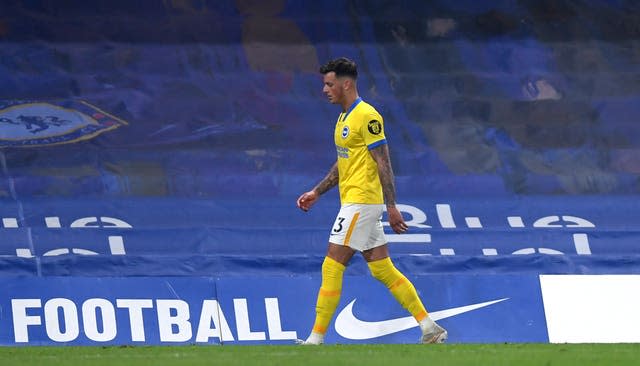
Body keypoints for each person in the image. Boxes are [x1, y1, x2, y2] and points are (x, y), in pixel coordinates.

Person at [296, 57, 447, 345]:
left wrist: (391, 206)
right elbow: (344, 164)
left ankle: (314, 341)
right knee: (382, 269)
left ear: (346, 84)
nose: (325, 90)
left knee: (331, 266)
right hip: (353, 201)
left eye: (329, 84)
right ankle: (430, 327)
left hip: (361, 202)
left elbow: (383, 161)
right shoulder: (343, 118)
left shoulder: (368, 116)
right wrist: (317, 191)